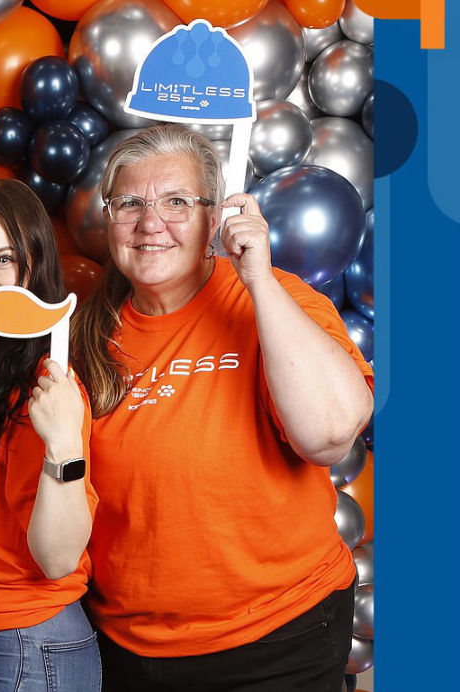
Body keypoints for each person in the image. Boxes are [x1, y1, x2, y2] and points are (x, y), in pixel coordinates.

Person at [71, 123, 374, 692]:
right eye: (130, 202)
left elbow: (330, 435)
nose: (150, 222)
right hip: (129, 651)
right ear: (109, 219)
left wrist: (256, 277)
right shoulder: (83, 334)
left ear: (216, 218)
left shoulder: (274, 297)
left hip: (281, 638)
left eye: (177, 202)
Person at [0, 179, 102, 691]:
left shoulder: (50, 383)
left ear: (33, 265)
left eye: (1, 259)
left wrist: (65, 443)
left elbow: (57, 559)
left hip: (32, 638)